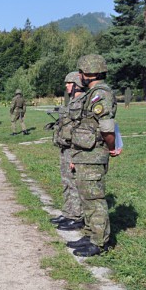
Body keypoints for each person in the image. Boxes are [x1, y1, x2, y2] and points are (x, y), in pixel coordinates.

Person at [67, 54, 121, 257]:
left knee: (94, 199)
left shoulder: (101, 94)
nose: (79, 75)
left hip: (94, 153)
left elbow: (107, 128)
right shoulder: (92, 94)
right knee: (86, 197)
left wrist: (111, 147)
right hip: (84, 153)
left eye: (82, 72)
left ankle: (99, 242)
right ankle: (90, 233)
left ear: (90, 73)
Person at [50, 72, 85, 232]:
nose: (66, 86)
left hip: (73, 148)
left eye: (69, 83)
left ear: (77, 83)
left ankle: (76, 216)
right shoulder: (72, 101)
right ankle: (68, 212)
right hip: (65, 147)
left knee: (73, 182)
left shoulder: (82, 101)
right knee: (66, 181)